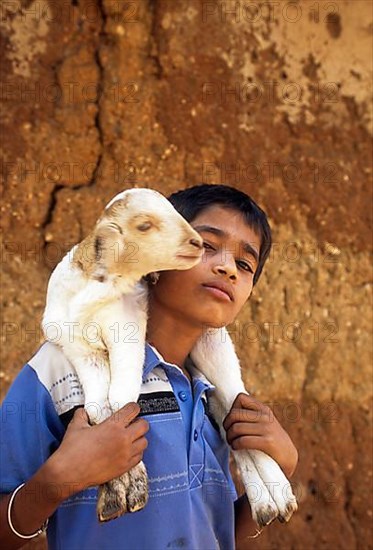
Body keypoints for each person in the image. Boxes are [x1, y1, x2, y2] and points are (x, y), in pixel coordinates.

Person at [0, 184, 298, 549]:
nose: (227, 268)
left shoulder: (214, 400)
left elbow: (213, 533)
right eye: (205, 245)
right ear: (154, 262)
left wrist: (280, 468)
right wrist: (59, 478)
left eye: (245, 264)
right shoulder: (63, 372)